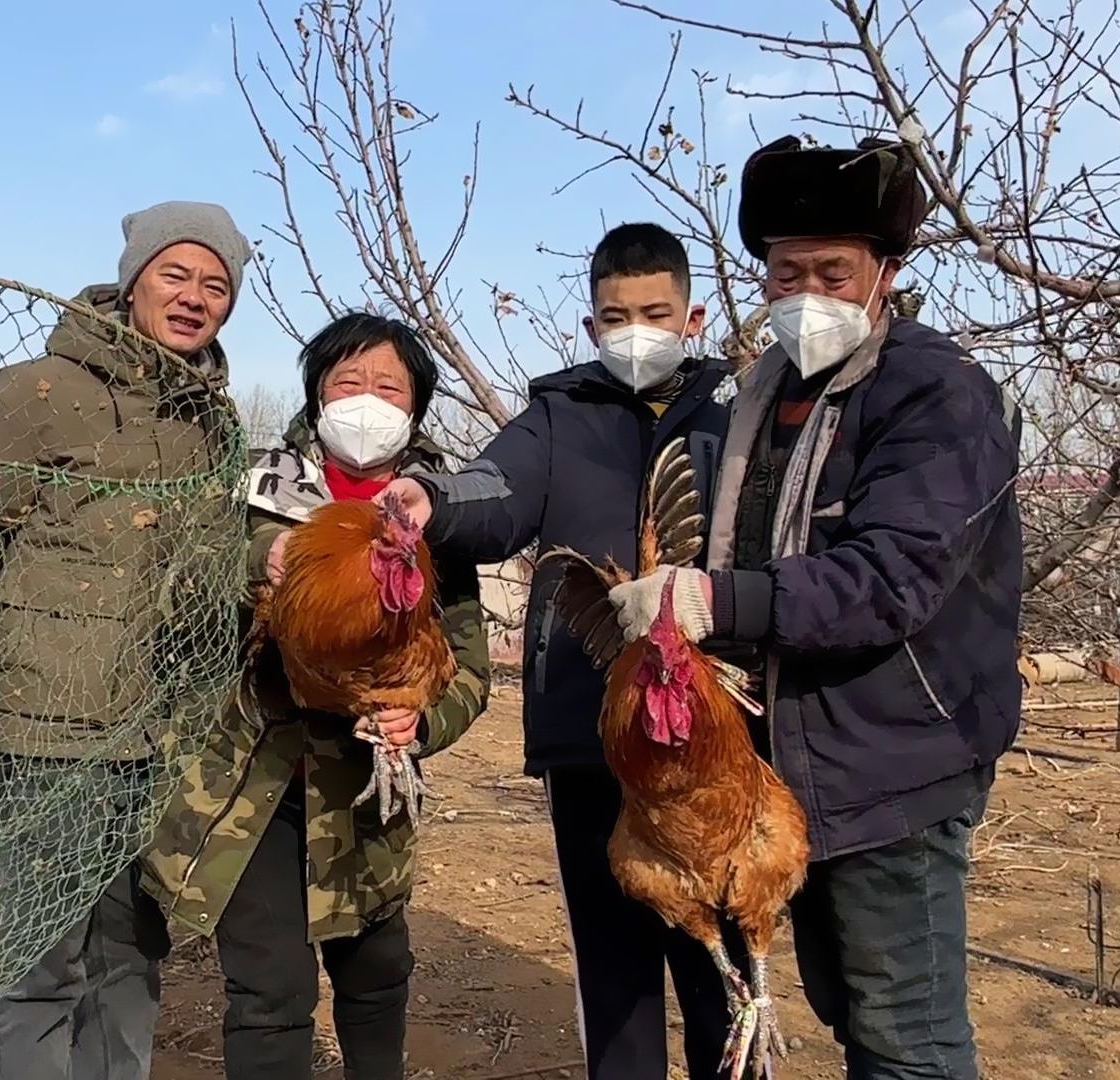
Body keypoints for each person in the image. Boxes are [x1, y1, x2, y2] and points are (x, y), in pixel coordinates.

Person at [604, 136, 1024, 1079]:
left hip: (895, 757)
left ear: (886, 272)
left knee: (905, 1036)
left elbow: (894, 577)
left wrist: (715, 598)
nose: (807, 292)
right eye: (785, 271)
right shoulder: (769, 391)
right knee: (852, 1012)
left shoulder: (935, 392)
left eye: (833, 270)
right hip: (800, 766)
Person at [378, 223, 752, 1080]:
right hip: (593, 729)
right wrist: (432, 497)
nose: (636, 330)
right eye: (616, 316)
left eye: (655, 312)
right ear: (590, 326)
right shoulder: (558, 414)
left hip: (714, 740)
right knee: (615, 969)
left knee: (722, 968)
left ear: (692, 316)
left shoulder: (742, 410)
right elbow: (494, 488)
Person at [0, 200, 253, 1080]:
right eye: (175, 274)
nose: (193, 297)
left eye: (215, 285)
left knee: (130, 958)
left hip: (159, 732)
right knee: (40, 962)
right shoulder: (42, 391)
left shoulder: (211, 420)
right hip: (47, 721)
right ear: (133, 278)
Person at [141, 312, 491, 1080]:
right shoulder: (249, 483)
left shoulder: (440, 515)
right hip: (249, 777)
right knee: (269, 987)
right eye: (348, 382)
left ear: (415, 406)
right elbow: (176, 584)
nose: (367, 400)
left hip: (366, 787)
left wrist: (422, 721)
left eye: (388, 386)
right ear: (316, 394)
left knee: (375, 969)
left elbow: (470, 673)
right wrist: (258, 559)